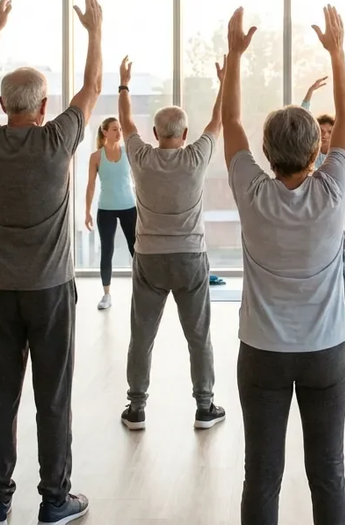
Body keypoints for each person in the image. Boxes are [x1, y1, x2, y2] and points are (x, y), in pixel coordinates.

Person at [0, 0, 101, 525]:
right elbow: (92, 88)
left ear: (3, 107)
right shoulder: (57, 140)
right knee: (53, 397)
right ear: (44, 108)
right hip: (49, 293)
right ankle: (53, 501)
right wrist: (94, 31)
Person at [226, 5, 345, 525]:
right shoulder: (332, 190)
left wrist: (235, 56)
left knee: (261, 476)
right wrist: (338, 52)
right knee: (329, 473)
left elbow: (231, 122)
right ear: (315, 153)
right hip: (325, 353)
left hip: (262, 352)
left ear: (266, 151)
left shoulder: (252, 192)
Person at [118, 53, 226, 431]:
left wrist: (124, 85)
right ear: (184, 133)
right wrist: (223, 83)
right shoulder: (195, 157)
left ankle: (136, 409)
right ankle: (205, 407)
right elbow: (217, 121)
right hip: (190, 258)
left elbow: (126, 122)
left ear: (156, 133)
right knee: (199, 337)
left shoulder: (141, 157)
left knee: (141, 337)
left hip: (149, 258)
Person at [300, 76, 345, 337]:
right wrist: (308, 95)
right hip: (309, 224)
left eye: (329, 132)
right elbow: (300, 123)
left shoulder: (339, 159)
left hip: (333, 225)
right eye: (321, 132)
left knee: (340, 270)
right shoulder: (308, 158)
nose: (325, 135)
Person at [83, 116, 136, 310]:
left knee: (136, 249)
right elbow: (90, 186)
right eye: (114, 129)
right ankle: (106, 295)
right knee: (107, 250)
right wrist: (87, 212)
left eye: (120, 129)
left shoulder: (128, 153)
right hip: (106, 209)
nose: (119, 132)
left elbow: (139, 181)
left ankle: (142, 289)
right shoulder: (96, 157)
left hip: (129, 207)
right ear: (105, 132)